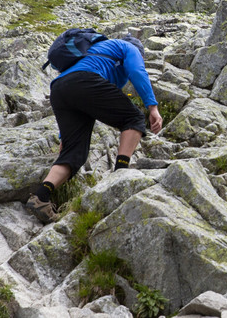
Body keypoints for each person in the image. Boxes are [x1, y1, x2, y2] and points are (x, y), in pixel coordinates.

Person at [25, 35, 163, 223]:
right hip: (85, 82)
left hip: (59, 88)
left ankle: (41, 197)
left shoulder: (93, 51)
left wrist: (64, 137)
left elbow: (97, 100)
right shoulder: (127, 47)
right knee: (133, 117)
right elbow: (138, 71)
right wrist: (152, 107)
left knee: (74, 153)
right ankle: (120, 174)